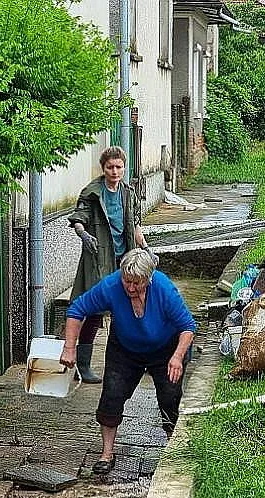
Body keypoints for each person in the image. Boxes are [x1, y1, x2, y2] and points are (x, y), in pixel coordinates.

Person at [59, 249, 195, 475]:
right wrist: (70, 347)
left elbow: (188, 326)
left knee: (170, 398)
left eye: (137, 283)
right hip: (124, 349)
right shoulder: (111, 286)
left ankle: (174, 450)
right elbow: (77, 309)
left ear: (148, 279)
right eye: (127, 281)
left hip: (166, 350)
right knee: (111, 396)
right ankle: (106, 454)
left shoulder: (163, 288)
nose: (131, 288)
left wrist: (177, 357)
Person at [67, 146, 157, 384]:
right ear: (103, 168)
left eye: (119, 167)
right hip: (99, 259)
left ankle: (134, 360)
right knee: (94, 312)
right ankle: (83, 366)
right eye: (110, 167)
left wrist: (146, 248)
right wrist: (83, 234)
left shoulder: (128, 193)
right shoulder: (92, 193)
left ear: (124, 168)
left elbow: (135, 226)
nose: (114, 171)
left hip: (124, 260)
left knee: (133, 309)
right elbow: (79, 218)